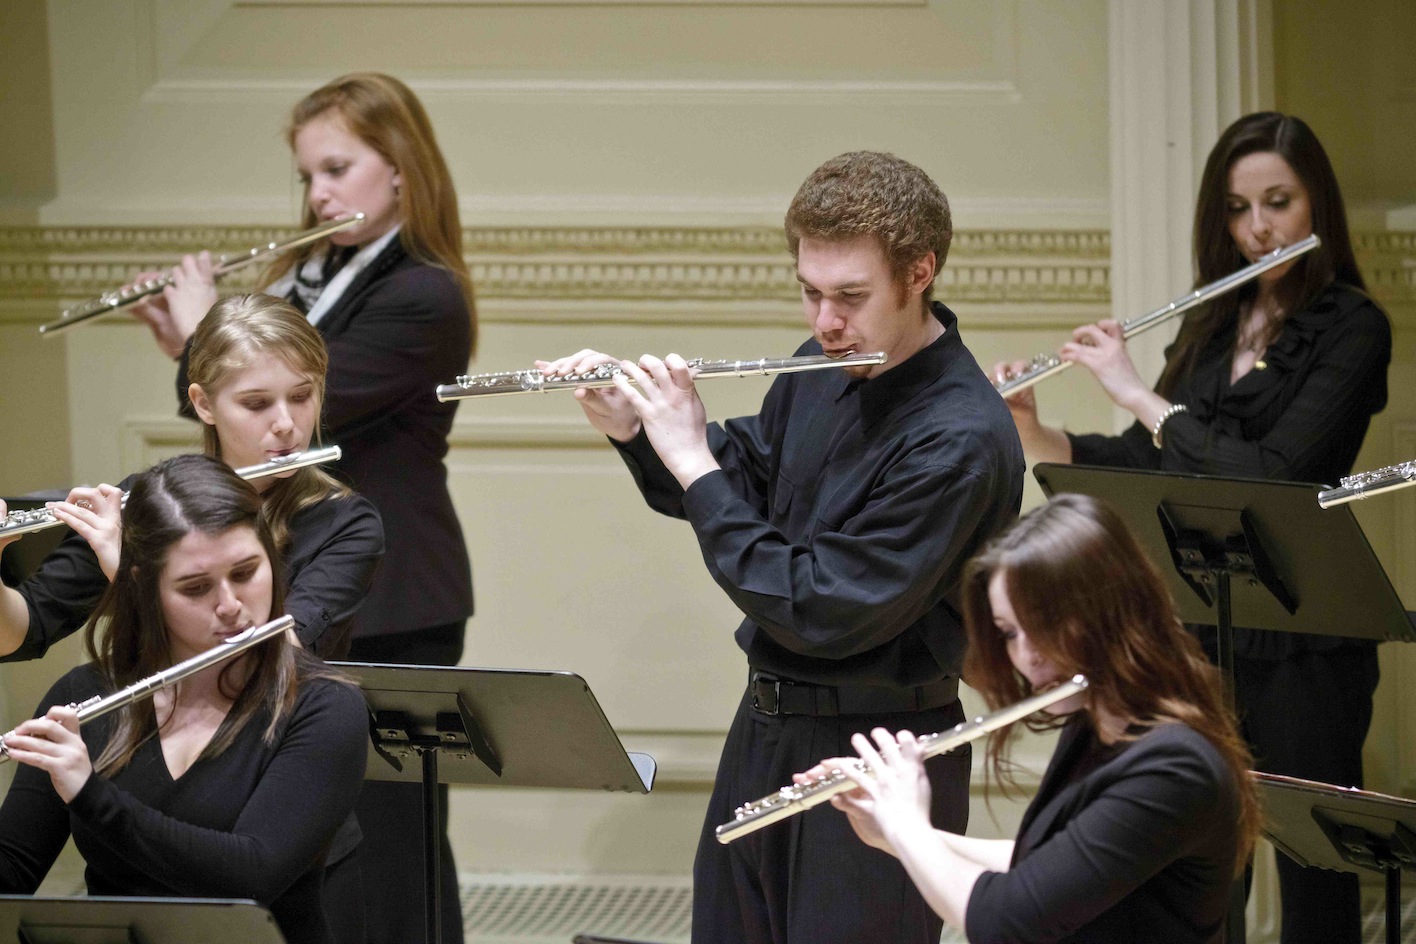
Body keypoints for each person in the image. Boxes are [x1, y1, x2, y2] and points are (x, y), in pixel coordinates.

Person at [540, 151, 1024, 943]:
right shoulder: (817, 369)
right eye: (810, 291)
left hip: (878, 755)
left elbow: (816, 607)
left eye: (850, 297)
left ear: (920, 273)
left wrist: (691, 459)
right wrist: (637, 428)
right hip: (764, 730)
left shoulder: (958, 439)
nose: (824, 321)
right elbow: (747, 487)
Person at [994, 112, 1388, 944]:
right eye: (1239, 211)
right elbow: (1149, 461)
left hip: (1305, 642)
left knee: (1317, 880)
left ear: (1315, 201)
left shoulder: (1353, 327)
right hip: (1202, 635)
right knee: (1205, 867)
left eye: (1278, 203)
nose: (1258, 230)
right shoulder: (1213, 325)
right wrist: (1040, 432)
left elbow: (1276, 476)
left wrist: (1138, 390)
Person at [130, 72, 475, 944]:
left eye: (337, 167)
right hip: (297, 571)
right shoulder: (312, 275)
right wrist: (194, 347)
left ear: (399, 168)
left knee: (391, 846)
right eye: (307, 176)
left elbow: (316, 405)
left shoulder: (423, 292)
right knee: (312, 835)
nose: (319, 193)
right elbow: (238, 393)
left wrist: (209, 333)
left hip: (390, 595)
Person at [802, 494, 1260, 943]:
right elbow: (1037, 866)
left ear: (1111, 609)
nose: (1026, 656)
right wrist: (892, 833)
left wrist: (909, 826)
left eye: (1042, 623)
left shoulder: (1176, 768)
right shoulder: (1095, 727)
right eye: (1009, 633)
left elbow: (1004, 921)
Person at [0, 454, 369, 944]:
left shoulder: (322, 706)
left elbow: (250, 876)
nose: (231, 605)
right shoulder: (84, 695)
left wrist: (91, 795)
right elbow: (13, 871)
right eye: (196, 588)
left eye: (246, 572)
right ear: (142, 588)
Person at [0, 293, 384, 663]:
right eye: (256, 403)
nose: (286, 424)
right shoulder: (146, 502)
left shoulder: (346, 525)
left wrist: (135, 576)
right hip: (154, 724)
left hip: (281, 726)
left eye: (301, 396)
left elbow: (281, 661)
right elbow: (22, 632)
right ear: (204, 404)